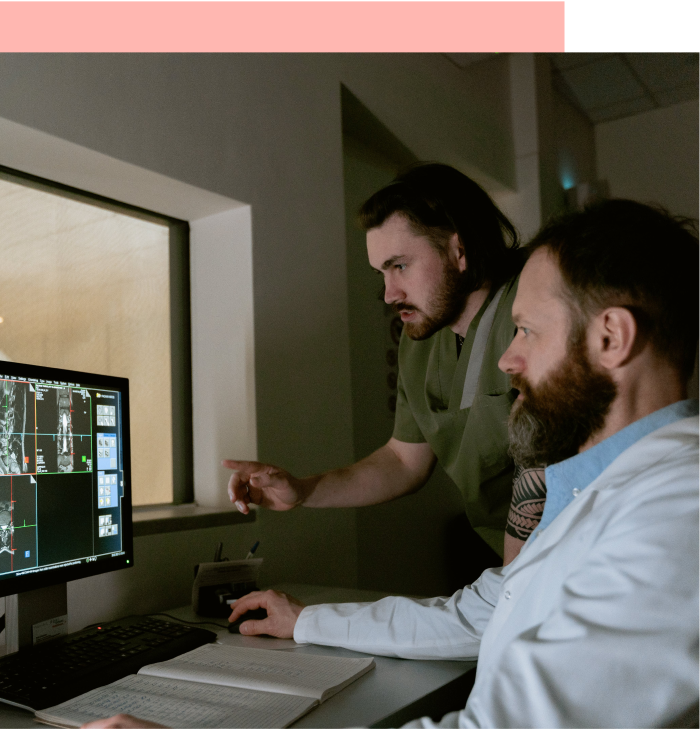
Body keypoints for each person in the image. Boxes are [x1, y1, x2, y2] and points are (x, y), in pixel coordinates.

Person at [221, 200, 700, 728]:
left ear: (610, 337)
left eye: (528, 331)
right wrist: (306, 620)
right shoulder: (601, 491)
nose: (507, 359)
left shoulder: (678, 514)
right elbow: (478, 612)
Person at [225, 163, 540, 564]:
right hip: (516, 570)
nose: (389, 295)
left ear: (459, 251)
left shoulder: (532, 309)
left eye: (400, 266)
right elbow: (403, 461)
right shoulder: (420, 342)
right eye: (381, 273)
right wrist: (303, 490)